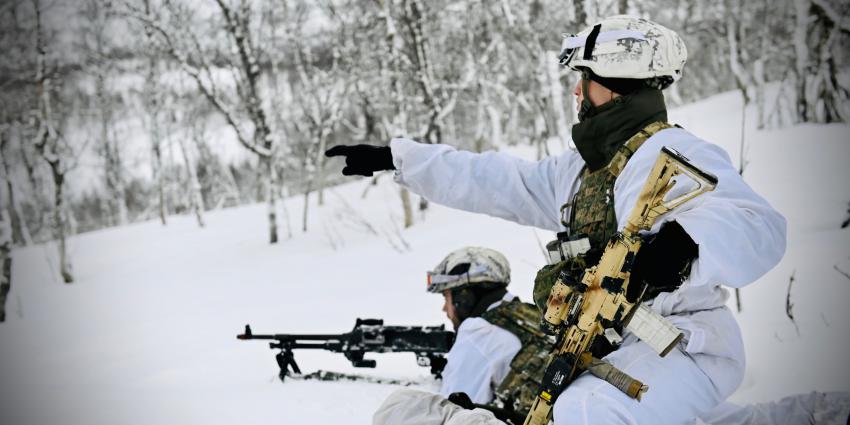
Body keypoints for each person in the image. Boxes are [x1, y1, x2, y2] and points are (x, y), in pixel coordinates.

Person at [334, 15, 787, 425]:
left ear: (615, 85)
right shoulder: (580, 172)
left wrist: (687, 245)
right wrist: (398, 159)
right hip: (607, 348)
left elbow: (759, 226)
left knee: (588, 411)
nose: (576, 91)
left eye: (584, 79)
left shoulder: (674, 154)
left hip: (685, 347)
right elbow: (496, 180)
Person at [373, 247, 549, 425]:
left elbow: (458, 408)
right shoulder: (534, 317)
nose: (444, 309)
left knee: (402, 406)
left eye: (445, 297)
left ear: (463, 296)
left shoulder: (478, 332)